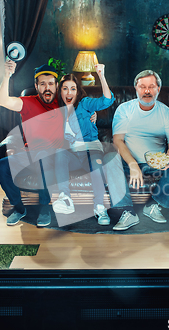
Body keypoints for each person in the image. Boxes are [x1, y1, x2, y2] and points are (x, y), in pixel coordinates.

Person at [104, 70, 169, 231]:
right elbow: (118, 141)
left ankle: (153, 206)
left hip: (156, 163)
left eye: (151, 87)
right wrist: (133, 164)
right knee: (109, 156)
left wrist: (168, 157)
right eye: (142, 87)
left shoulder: (166, 113)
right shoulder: (124, 110)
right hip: (128, 162)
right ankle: (127, 212)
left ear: (158, 89)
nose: (147, 91)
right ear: (136, 88)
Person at [0, 60, 64, 228]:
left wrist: (93, 118)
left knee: (43, 156)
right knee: (2, 167)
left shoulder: (63, 103)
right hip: (29, 155)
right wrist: (7, 75)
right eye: (42, 84)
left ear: (56, 85)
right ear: (36, 85)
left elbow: (86, 109)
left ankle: (44, 209)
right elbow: (3, 100)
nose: (47, 88)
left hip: (53, 157)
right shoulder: (28, 102)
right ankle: (19, 208)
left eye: (50, 84)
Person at [52, 64, 115, 226]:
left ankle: (99, 207)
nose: (69, 92)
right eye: (65, 88)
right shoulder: (55, 110)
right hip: (71, 154)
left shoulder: (85, 104)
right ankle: (65, 199)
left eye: (73, 89)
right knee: (60, 152)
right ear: (60, 91)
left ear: (78, 91)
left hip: (90, 148)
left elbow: (107, 100)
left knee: (96, 161)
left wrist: (101, 75)